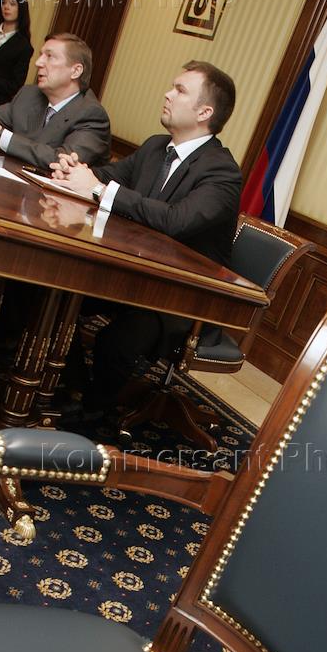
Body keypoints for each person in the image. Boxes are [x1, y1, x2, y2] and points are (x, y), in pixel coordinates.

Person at [50, 60, 241, 418]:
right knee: (54, 291)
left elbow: (175, 221)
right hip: (133, 270)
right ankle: (73, 385)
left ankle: (95, 413)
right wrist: (75, 171)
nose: (167, 94)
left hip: (181, 294)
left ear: (204, 112)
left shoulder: (222, 171)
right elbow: (108, 176)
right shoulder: (156, 147)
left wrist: (98, 188)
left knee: (116, 341)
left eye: (180, 90)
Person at [0, 33, 110, 169]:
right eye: (40, 56)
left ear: (76, 71)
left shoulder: (92, 115)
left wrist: (0, 135)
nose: (38, 63)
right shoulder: (29, 95)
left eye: (50, 57)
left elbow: (61, 161)